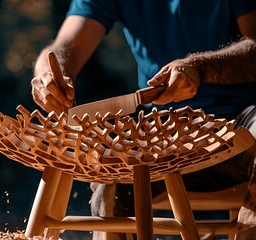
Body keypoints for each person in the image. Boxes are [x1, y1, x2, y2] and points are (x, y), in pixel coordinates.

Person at [30, 1, 256, 239]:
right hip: (161, 135)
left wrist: (201, 69)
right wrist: (49, 76)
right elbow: (63, 47)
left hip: (242, 124)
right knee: (114, 166)